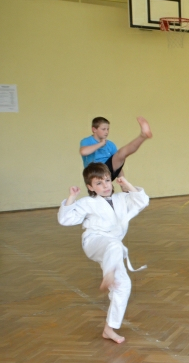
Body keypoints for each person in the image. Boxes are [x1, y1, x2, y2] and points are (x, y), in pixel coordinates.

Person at [57, 163, 150, 344]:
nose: (105, 185)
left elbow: (143, 201)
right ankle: (109, 274)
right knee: (115, 246)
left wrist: (126, 184)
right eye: (99, 183)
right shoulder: (87, 202)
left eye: (107, 180)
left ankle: (109, 328)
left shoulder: (122, 198)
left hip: (112, 250)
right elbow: (65, 219)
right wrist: (71, 197)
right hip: (95, 242)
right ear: (90, 187)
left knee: (123, 285)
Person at [80, 116, 152, 181]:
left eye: (108, 129)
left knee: (121, 153)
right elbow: (83, 152)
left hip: (107, 171)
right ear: (94, 129)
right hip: (93, 173)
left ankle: (142, 136)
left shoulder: (110, 144)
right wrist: (100, 144)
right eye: (103, 129)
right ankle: (143, 136)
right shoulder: (86, 141)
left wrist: (123, 182)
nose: (106, 132)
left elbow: (118, 161)